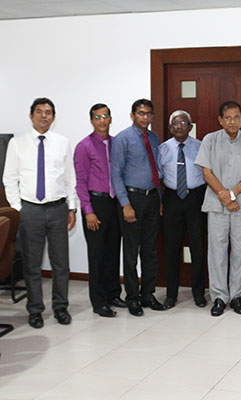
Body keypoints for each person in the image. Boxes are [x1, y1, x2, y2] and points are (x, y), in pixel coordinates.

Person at [3, 98, 77, 328]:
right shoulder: (17, 143)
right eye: (39, 111)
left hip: (57, 209)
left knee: (61, 263)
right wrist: (18, 208)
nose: (44, 116)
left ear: (53, 117)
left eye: (48, 112)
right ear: (31, 115)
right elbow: (9, 178)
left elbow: (69, 178)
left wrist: (72, 207)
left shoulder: (62, 142)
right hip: (30, 210)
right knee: (32, 265)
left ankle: (60, 307)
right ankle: (35, 310)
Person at [195, 101, 241, 317]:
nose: (232, 121)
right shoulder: (210, 140)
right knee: (217, 251)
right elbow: (207, 173)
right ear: (220, 120)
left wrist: (231, 195)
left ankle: (237, 296)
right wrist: (225, 196)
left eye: (236, 117)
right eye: (228, 117)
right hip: (216, 205)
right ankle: (219, 297)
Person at [111, 98, 165, 316]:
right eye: (141, 113)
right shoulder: (122, 138)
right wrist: (125, 204)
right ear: (132, 115)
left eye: (148, 113)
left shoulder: (153, 138)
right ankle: (132, 297)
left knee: (150, 250)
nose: (145, 117)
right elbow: (116, 174)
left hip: (152, 199)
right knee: (131, 251)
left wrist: (159, 200)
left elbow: (156, 170)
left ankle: (148, 294)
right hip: (132, 199)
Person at [74, 103, 124, 318]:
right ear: (91, 121)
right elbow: (80, 182)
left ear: (110, 119)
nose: (102, 121)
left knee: (113, 251)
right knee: (97, 255)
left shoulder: (116, 144)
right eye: (97, 117)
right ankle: (99, 301)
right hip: (96, 203)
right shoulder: (84, 146)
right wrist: (88, 211)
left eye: (105, 116)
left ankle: (113, 294)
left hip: (114, 203)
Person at [158, 110, 207, 309]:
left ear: (190, 126)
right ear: (171, 127)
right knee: (172, 248)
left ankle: (199, 293)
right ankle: (171, 295)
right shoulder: (162, 149)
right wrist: (160, 201)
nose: (179, 126)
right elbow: (158, 177)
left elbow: (208, 173)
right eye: (175, 123)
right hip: (172, 199)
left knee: (198, 247)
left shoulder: (201, 147)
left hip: (196, 198)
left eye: (184, 123)